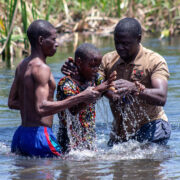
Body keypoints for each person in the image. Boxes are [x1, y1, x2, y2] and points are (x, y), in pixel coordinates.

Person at [61, 17, 171, 146]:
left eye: (125, 43)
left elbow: (161, 97)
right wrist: (77, 70)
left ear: (139, 39)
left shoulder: (154, 61)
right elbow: (95, 83)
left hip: (153, 126)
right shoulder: (108, 60)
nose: (120, 47)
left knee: (142, 160)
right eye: (117, 42)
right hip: (121, 130)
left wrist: (136, 89)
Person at [8, 20, 101, 158]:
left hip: (20, 136)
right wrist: (81, 96)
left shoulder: (22, 65)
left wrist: (32, 107)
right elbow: (41, 108)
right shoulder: (42, 69)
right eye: (53, 39)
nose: (57, 43)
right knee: (72, 165)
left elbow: (12, 102)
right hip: (40, 136)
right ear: (41, 40)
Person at [56, 43, 116, 153]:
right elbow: (73, 110)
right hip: (68, 141)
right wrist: (98, 89)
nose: (96, 70)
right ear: (79, 62)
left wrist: (131, 88)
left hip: (89, 138)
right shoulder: (66, 84)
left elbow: (112, 95)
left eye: (98, 66)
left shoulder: (94, 79)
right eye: (92, 66)